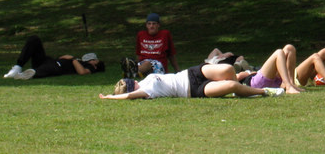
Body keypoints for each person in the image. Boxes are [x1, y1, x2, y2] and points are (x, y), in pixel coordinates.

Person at [213, 44, 325, 91]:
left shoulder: (239, 66)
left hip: (283, 77)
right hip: (286, 77)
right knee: (316, 56)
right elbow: (236, 81)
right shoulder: (239, 72)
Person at [99, 63, 283, 100]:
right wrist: (109, 97)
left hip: (190, 73)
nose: (133, 85)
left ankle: (242, 86)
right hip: (193, 89)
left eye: (129, 83)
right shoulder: (147, 93)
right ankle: (264, 91)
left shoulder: (145, 80)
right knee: (232, 85)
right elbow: (130, 96)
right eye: (130, 86)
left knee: (228, 69)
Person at [3, 35, 105, 80]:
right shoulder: (81, 61)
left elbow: (82, 72)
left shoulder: (90, 67)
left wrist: (73, 59)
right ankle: (17, 67)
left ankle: (27, 75)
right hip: (50, 61)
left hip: (57, 67)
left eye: (94, 60)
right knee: (34, 40)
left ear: (96, 65)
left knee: (46, 69)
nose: (91, 60)